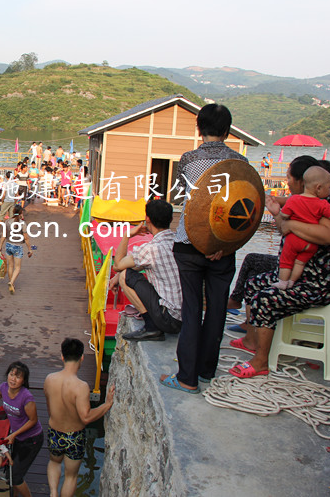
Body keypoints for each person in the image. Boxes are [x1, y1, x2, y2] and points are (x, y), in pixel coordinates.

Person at [229, 156, 330, 378]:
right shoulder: (301, 200)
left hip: (316, 282)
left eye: (289, 177)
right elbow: (283, 223)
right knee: (253, 284)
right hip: (296, 275)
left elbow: (327, 236)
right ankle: (252, 341)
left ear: (303, 182)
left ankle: (261, 362)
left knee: (265, 299)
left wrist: (290, 224)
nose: (288, 182)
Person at [161, 103, 246, 394]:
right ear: (228, 131)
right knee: (217, 310)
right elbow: (246, 209)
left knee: (192, 309)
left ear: (200, 129)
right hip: (224, 247)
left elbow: (178, 197)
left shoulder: (189, 159)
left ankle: (187, 377)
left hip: (190, 244)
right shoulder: (239, 162)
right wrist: (225, 243)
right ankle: (207, 371)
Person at [44, 339, 115, 497]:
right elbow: (86, 417)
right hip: (74, 436)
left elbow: (49, 407)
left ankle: (53, 493)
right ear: (82, 357)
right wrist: (107, 405)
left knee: (54, 462)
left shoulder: (49, 379)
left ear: (62, 356)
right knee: (71, 476)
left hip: (54, 431)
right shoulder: (81, 386)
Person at [267, 166, 330, 290]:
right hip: (310, 246)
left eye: (289, 178)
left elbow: (284, 217)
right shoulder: (323, 204)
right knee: (299, 263)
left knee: (286, 261)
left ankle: (284, 282)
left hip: (298, 248)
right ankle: (291, 281)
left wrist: (281, 215)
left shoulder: (295, 200)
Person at [111, 199, 182, 341]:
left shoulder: (151, 249)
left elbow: (118, 265)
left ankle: (151, 327)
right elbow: (138, 265)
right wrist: (116, 278)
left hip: (169, 320)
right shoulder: (178, 242)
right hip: (184, 318)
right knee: (124, 274)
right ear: (171, 219)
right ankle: (153, 324)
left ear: (147, 219)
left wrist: (127, 235)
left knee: (125, 275)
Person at [0, 362, 43, 497]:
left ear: (24, 380)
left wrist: (14, 434)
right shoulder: (4, 387)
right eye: (11, 375)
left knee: (16, 476)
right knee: (11, 473)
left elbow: (33, 420)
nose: (13, 379)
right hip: (16, 438)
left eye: (18, 377)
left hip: (31, 440)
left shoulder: (26, 397)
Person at [0, 205, 34, 295]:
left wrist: (0, 246)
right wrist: (30, 249)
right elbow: (26, 238)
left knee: (10, 266)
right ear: (21, 213)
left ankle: (11, 283)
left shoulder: (7, 221)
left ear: (13, 212)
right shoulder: (22, 223)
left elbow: (3, 235)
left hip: (8, 245)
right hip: (17, 247)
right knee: (17, 268)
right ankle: (11, 282)